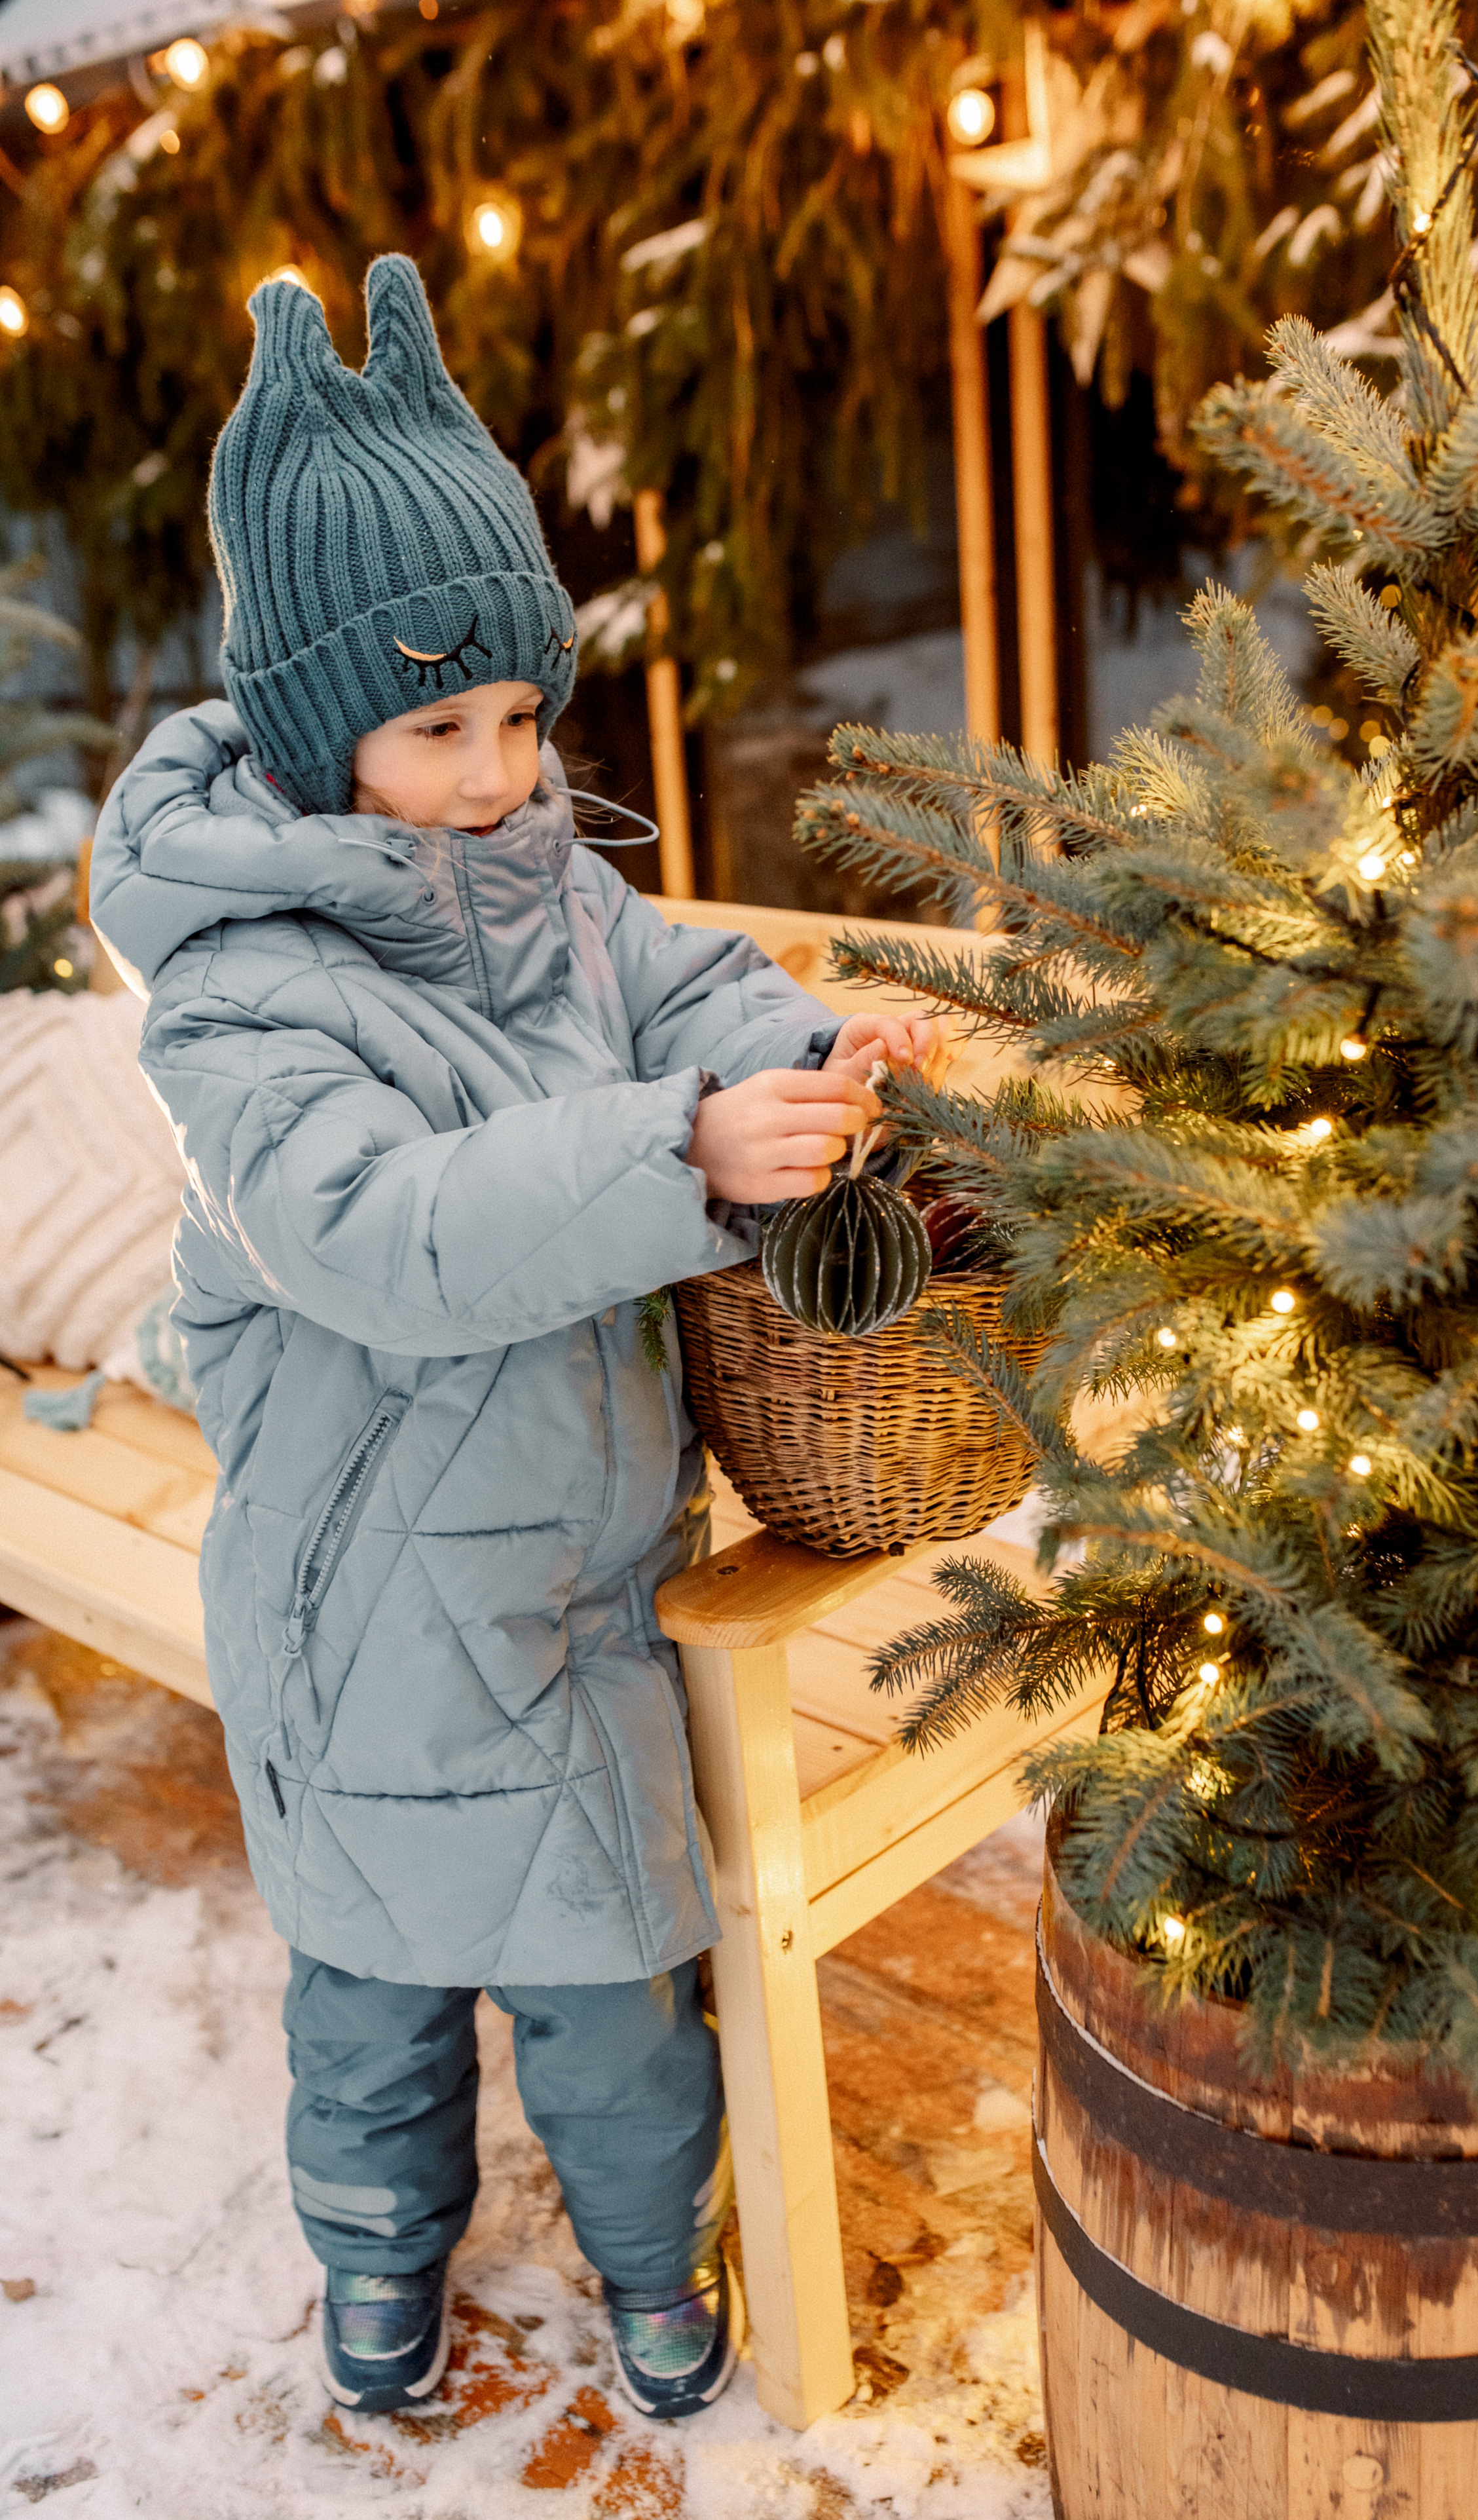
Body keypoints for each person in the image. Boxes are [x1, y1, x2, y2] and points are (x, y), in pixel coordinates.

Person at [89, 255, 942, 2423]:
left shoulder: (548, 882)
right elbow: (390, 1234)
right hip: (362, 1612)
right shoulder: (245, 1000)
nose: (493, 774)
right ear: (310, 729)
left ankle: (656, 2269)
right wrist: (680, 1153)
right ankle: (377, 2265)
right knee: (372, 2007)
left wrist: (809, 1048)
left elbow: (687, 986)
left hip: (574, 1596)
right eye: (435, 726)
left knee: (620, 1992)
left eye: (515, 719)